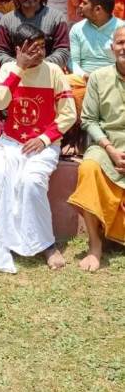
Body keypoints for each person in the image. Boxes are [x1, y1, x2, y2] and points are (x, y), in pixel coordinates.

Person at [0, 24, 77, 274]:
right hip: (11, 142)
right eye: (32, 48)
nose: (39, 53)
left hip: (43, 144)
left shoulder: (54, 71)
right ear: (18, 49)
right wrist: (19, 69)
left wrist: (44, 139)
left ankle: (46, 244)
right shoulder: (8, 69)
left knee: (31, 182)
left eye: (42, 47)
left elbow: (68, 114)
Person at [67, 26, 125, 271]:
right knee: (89, 167)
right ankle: (95, 246)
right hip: (107, 144)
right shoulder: (99, 77)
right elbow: (89, 120)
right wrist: (110, 149)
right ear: (112, 48)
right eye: (121, 42)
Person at [0, 0, 70, 68]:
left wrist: (40, 66)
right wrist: (21, 64)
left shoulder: (57, 18)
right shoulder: (6, 20)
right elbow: (0, 53)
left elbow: (63, 51)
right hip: (17, 74)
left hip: (48, 75)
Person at [68, 0, 124, 115]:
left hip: (114, 78)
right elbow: (73, 61)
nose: (80, 5)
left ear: (98, 9)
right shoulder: (77, 29)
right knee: (64, 83)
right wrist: (84, 75)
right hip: (83, 79)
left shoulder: (122, 29)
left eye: (85, 3)